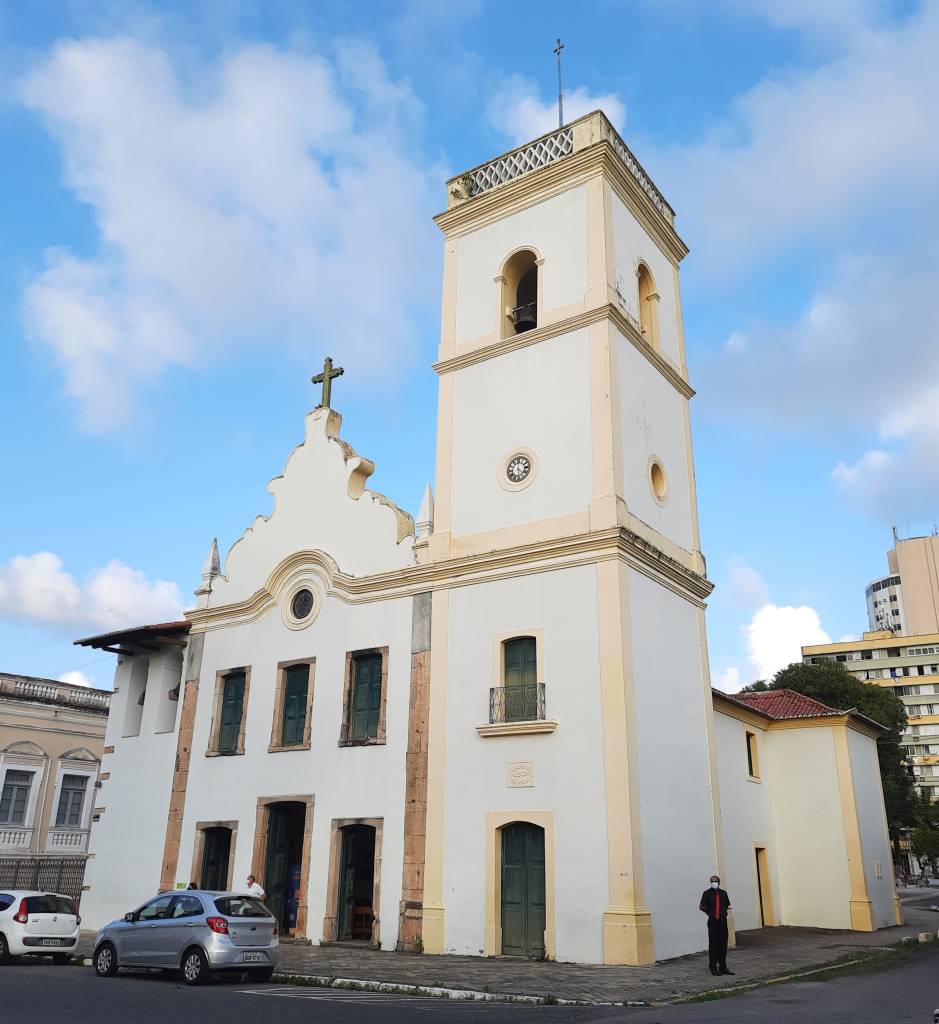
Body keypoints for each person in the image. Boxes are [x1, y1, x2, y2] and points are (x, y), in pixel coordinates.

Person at [698, 874, 734, 976]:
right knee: (714, 944)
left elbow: (727, 905)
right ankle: (713, 967)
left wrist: (722, 912)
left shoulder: (723, 893)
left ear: (719, 882)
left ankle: (723, 967)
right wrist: (709, 913)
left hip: (722, 921)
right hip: (713, 921)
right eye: (712, 881)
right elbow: (701, 906)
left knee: (723, 944)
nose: (714, 883)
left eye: (715, 881)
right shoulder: (706, 893)